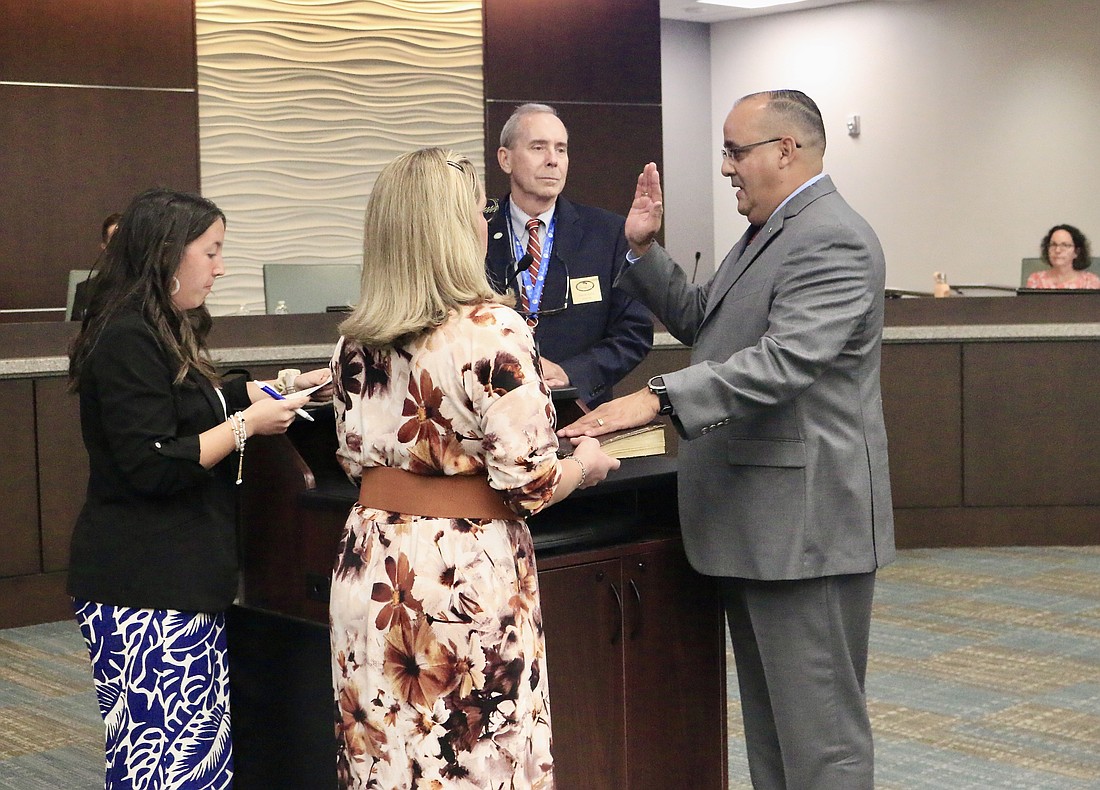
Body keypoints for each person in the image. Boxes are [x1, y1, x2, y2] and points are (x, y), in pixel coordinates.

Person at [561, 90, 896, 789]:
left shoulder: (831, 235)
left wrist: (654, 401)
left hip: (806, 531)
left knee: (822, 740)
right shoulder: (770, 231)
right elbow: (706, 322)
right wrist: (643, 251)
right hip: (757, 523)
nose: (724, 168)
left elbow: (785, 361)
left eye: (735, 150)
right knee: (774, 733)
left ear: (787, 150)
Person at [328, 148, 619, 788]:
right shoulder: (491, 330)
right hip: (461, 575)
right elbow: (532, 480)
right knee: (474, 759)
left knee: (386, 758)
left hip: (372, 564)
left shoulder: (355, 339)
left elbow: (353, 459)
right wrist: (588, 464)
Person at [67, 187, 332, 789]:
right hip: (142, 584)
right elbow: (155, 462)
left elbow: (198, 397)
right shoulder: (127, 337)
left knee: (195, 760)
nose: (220, 267)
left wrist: (279, 387)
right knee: (162, 765)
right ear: (167, 254)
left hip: (178, 581)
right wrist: (247, 426)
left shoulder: (163, 327)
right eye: (210, 252)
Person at [486, 103, 653, 407]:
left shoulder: (608, 233)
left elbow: (633, 334)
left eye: (560, 150)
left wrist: (570, 372)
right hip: (493, 413)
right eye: (538, 148)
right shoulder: (478, 232)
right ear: (505, 159)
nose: (553, 161)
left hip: (580, 418)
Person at [70, 211, 122, 322]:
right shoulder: (86, 291)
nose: (121, 244)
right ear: (105, 248)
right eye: (115, 239)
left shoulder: (152, 287)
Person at [1025, 224, 1099, 289]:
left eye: (1065, 245)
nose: (1057, 250)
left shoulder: (1090, 282)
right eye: (1053, 245)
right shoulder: (1036, 280)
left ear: (1077, 252)